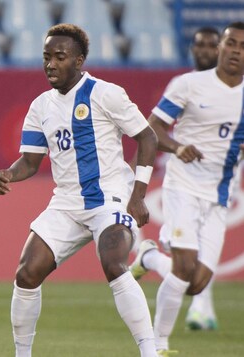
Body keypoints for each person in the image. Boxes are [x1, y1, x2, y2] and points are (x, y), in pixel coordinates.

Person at [0, 23, 159, 357]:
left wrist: (138, 194)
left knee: (114, 263)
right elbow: (29, 161)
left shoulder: (105, 93)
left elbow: (147, 137)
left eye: (60, 56)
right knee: (26, 273)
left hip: (109, 197)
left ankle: (150, 352)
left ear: (79, 60)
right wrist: (9, 175)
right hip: (67, 203)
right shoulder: (41, 106)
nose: (51, 64)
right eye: (46, 57)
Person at [129, 22, 244, 355]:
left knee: (196, 283)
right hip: (183, 187)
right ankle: (158, 345)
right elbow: (152, 131)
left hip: (220, 197)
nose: (236, 50)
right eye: (231, 43)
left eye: (243, 46)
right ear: (220, 47)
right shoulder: (188, 85)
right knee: (182, 267)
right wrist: (178, 147)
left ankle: (149, 256)